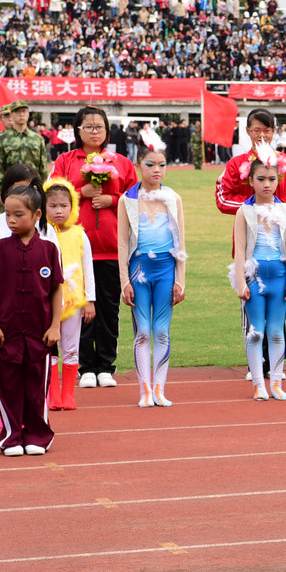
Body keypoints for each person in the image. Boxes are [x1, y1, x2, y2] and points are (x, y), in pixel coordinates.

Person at [216, 109, 286, 382]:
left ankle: (276, 361)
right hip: (249, 250)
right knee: (252, 309)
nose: (262, 135)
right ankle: (257, 363)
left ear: (274, 132)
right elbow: (222, 197)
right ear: (247, 131)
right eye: (256, 129)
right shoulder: (237, 164)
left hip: (278, 248)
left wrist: (279, 212)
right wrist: (253, 210)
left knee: (278, 307)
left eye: (267, 130)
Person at [49, 106, 135, 388]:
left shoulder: (121, 162)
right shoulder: (65, 160)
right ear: (78, 130)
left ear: (107, 130)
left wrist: (112, 200)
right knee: (78, 308)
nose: (94, 131)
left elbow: (136, 198)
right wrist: (79, 192)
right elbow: (52, 196)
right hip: (74, 250)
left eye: (99, 126)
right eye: (88, 126)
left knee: (109, 309)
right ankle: (85, 366)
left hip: (111, 247)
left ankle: (106, 365)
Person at [0, 182, 63, 456]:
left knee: (36, 387)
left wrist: (55, 326)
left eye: (18, 215)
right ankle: (11, 436)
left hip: (40, 334)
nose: (11, 220)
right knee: (8, 386)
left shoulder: (50, 250)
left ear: (37, 215)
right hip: (7, 334)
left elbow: (56, 290)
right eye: (8, 214)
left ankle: (37, 435)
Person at [118, 129, 187, 408]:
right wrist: (125, 281)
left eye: (162, 164)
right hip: (139, 271)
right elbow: (123, 244)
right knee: (143, 331)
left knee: (161, 331)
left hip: (166, 270)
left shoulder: (173, 198)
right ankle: (144, 390)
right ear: (138, 165)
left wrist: (180, 280)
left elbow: (180, 242)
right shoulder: (127, 200)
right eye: (150, 164)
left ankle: (159, 389)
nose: (157, 170)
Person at [232, 145, 286, 402]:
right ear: (250, 181)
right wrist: (241, 282)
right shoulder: (244, 211)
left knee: (276, 331)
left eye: (272, 179)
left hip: (279, 277)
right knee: (256, 331)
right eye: (260, 179)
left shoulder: (285, 211)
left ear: (278, 180)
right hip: (254, 278)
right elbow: (240, 250)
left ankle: (277, 383)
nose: (267, 184)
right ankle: (259, 384)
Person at [42, 178, 94, 411]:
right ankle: (53, 395)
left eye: (64, 205)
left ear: (72, 207)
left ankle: (68, 394)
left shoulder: (79, 235)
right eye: (52, 205)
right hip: (46, 301)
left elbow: (88, 268)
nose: (58, 211)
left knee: (71, 347)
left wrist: (90, 300)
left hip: (73, 302)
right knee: (49, 346)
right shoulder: (41, 234)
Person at [0, 99, 48, 188]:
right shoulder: (1, 139)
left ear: (28, 114)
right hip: (10, 189)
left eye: (24, 111)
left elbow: (43, 168)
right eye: (17, 112)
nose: (21, 114)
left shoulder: (38, 139)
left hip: (33, 189)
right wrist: (0, 190)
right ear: (12, 114)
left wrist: (42, 189)